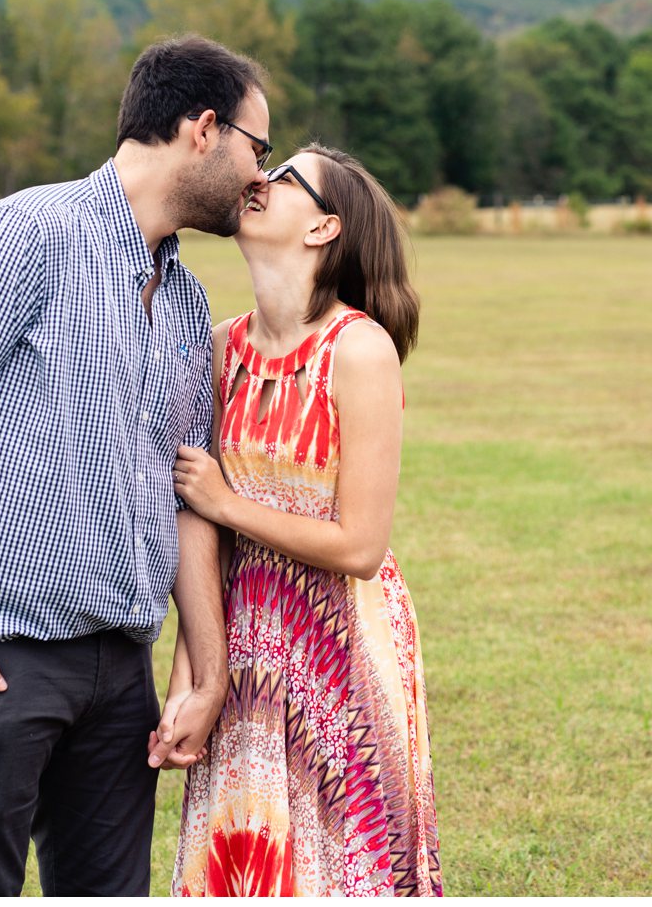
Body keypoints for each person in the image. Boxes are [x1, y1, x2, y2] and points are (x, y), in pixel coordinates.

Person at [0, 34, 272, 896]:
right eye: (257, 148)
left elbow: (188, 494)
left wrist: (208, 672)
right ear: (204, 129)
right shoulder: (27, 235)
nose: (260, 177)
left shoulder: (188, 296)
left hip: (119, 675)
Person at [163, 145, 443, 896]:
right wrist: (188, 681)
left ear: (324, 228)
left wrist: (228, 502)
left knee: (344, 870)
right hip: (246, 645)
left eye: (282, 177)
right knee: (247, 859)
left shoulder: (359, 351)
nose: (257, 180)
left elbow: (359, 545)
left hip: (341, 647)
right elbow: (202, 540)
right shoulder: (220, 348)